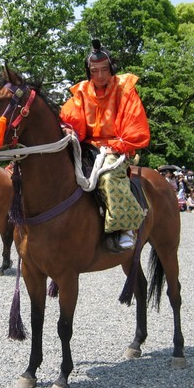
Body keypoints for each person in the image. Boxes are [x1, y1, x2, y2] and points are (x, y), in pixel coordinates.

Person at [60, 39, 150, 252]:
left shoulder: (124, 89)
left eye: (104, 70)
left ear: (111, 69)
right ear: (88, 71)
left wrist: (119, 145)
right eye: (94, 71)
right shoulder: (81, 92)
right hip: (87, 145)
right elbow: (72, 118)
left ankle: (126, 227)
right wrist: (69, 129)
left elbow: (134, 121)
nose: (99, 75)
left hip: (117, 146)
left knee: (108, 177)